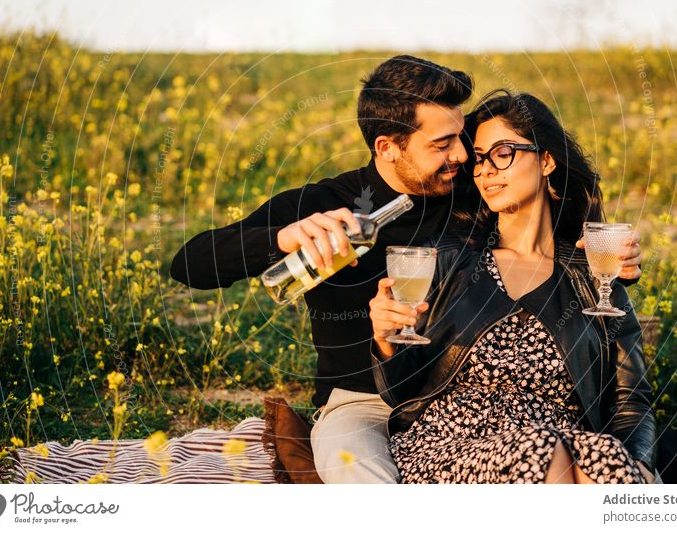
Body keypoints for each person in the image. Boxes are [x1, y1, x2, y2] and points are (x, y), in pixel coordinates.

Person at [169, 57, 643, 483]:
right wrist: (282, 237)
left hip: (453, 397)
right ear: (388, 147)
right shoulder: (322, 205)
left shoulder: (467, 190)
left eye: (461, 137)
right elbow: (190, 264)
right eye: (442, 143)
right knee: (368, 485)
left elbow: (538, 210)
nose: (461, 156)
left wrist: (610, 255)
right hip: (364, 402)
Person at [369, 89, 657, 483]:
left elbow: (630, 398)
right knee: (546, 448)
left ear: (546, 160)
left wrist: (639, 464)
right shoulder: (450, 262)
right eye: (480, 159)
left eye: (502, 153)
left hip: (566, 442)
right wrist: (386, 339)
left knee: (606, 454)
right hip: (452, 442)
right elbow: (404, 391)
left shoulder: (594, 274)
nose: (486, 170)